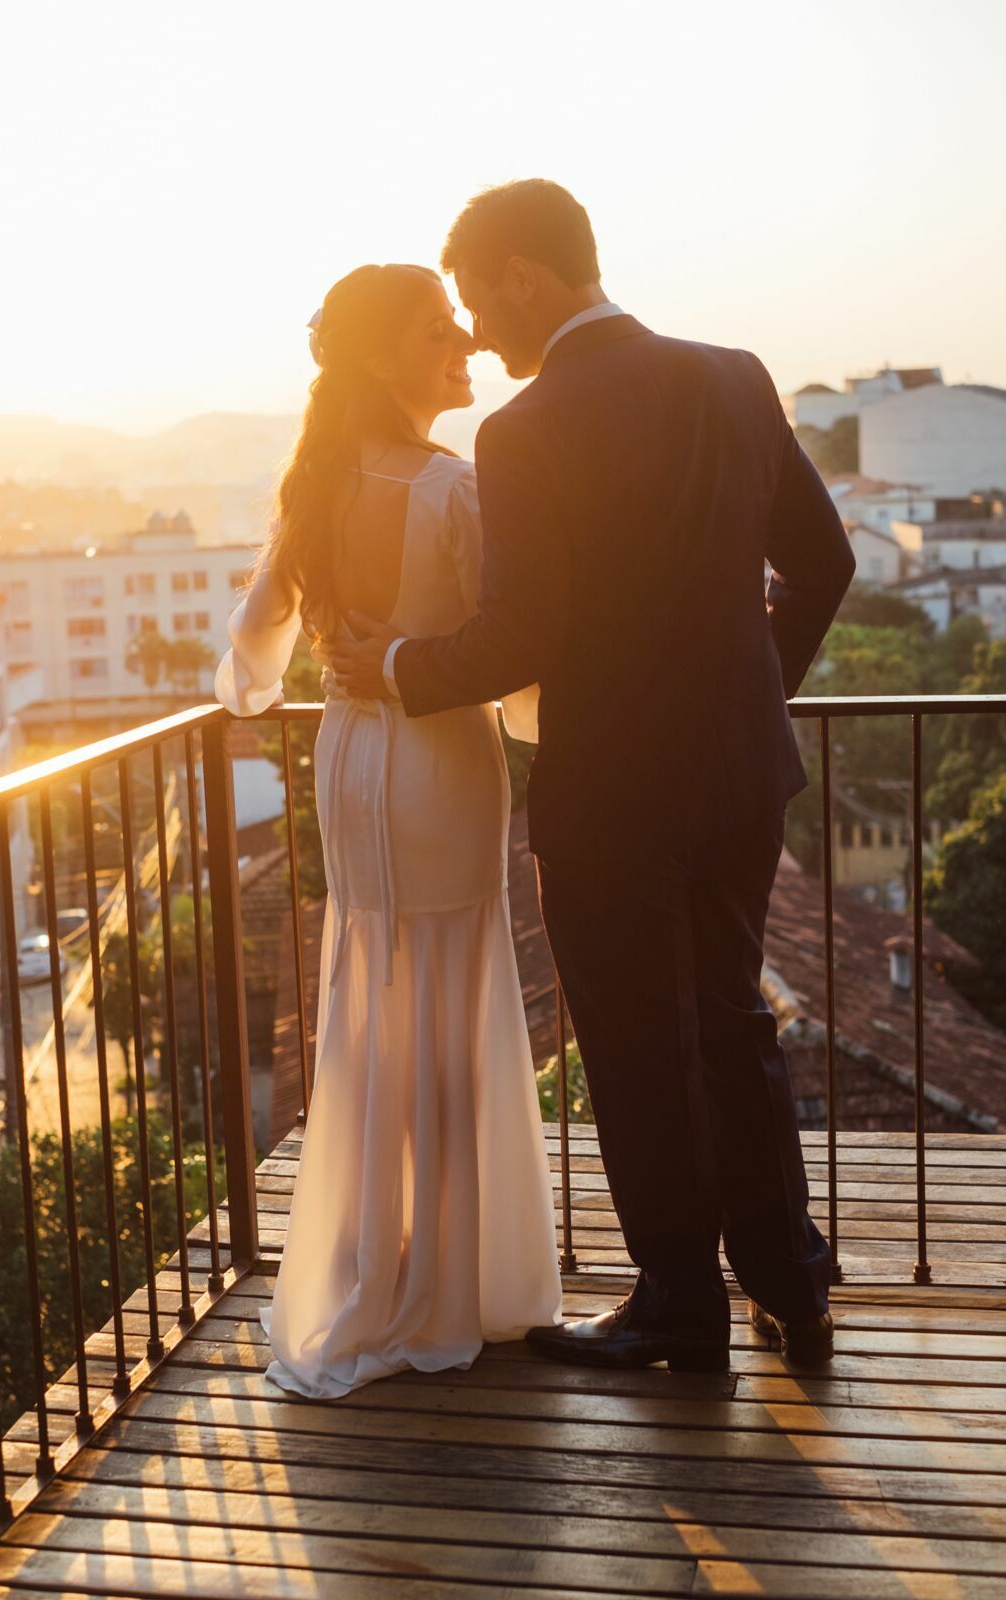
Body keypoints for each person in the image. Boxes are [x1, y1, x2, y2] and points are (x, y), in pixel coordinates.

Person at [328, 180, 856, 1371]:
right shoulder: (733, 373)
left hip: (610, 789)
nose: (475, 330)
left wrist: (395, 663)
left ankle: (679, 1305)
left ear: (522, 273)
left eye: (475, 297)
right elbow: (822, 561)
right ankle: (790, 1286)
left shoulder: (526, 428)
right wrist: (749, 689)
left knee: (631, 1041)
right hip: (736, 770)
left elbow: (518, 638)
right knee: (733, 1022)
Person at [215, 261, 562, 1400]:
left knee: (373, 990)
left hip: (352, 755)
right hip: (438, 756)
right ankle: (447, 1283)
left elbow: (251, 654)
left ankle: (377, 1263)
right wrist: (549, 716)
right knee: (452, 986)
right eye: (434, 331)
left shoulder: (312, 485)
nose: (460, 339)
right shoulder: (448, 488)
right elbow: (510, 664)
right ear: (378, 357)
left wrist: (300, 674)